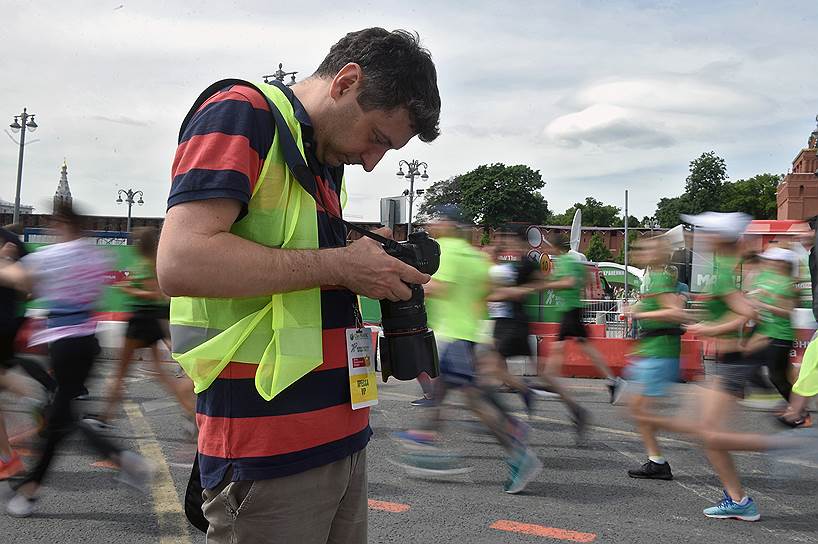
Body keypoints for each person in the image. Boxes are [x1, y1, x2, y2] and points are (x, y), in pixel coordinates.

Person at [157, 28, 440, 543]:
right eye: (378, 137)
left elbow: (300, 260)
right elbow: (181, 261)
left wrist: (364, 256)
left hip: (339, 435)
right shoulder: (243, 113)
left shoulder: (323, 160)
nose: (373, 161)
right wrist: (342, 266)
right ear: (347, 82)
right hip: (267, 443)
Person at [0, 203, 154, 518]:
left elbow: (18, 279)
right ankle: (30, 491)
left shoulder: (55, 255)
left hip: (65, 345)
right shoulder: (96, 256)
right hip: (87, 343)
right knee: (59, 420)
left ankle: (123, 459)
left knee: (61, 420)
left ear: (61, 223)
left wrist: (4, 260)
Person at [394, 210, 542, 493]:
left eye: (437, 220)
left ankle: (516, 450)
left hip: (452, 337)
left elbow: (438, 288)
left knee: (470, 400)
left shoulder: (446, 251)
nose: (431, 225)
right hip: (471, 336)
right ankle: (424, 444)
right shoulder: (477, 257)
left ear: (449, 225)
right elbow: (488, 294)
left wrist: (403, 283)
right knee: (447, 395)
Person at [85, 227, 195, 431]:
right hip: (150, 320)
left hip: (141, 320)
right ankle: (190, 410)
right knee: (157, 371)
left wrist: (128, 288)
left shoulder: (145, 265)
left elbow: (155, 294)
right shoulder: (154, 263)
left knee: (122, 372)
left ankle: (105, 416)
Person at [485, 229, 589, 438]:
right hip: (508, 321)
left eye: (512, 241)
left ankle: (519, 398)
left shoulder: (526, 264)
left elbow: (537, 284)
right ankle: (575, 409)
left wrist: (516, 291)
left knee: (492, 367)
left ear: (522, 244)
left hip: (514, 322)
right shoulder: (517, 265)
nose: (509, 246)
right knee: (532, 372)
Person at [624, 237, 687, 480]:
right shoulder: (652, 279)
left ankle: (700, 431)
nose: (640, 252)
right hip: (651, 347)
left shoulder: (661, 278)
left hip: (661, 349)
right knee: (637, 409)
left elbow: (675, 312)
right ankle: (656, 460)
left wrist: (638, 310)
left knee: (639, 410)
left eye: (646, 249)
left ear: (659, 255)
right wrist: (638, 309)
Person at [541, 236, 626, 403]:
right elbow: (586, 279)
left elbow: (569, 282)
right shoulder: (573, 262)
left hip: (570, 309)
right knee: (567, 347)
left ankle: (552, 382)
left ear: (556, 248)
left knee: (566, 347)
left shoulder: (565, 262)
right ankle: (612, 380)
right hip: (572, 308)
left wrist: (547, 285)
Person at [742, 248, 798, 406]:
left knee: (777, 376)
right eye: (768, 260)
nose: (768, 263)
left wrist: (763, 304)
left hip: (781, 335)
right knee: (748, 356)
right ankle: (796, 406)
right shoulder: (765, 277)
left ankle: (797, 408)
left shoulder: (788, 283)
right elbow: (750, 295)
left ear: (783, 264)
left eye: (773, 260)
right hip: (766, 331)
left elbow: (787, 312)